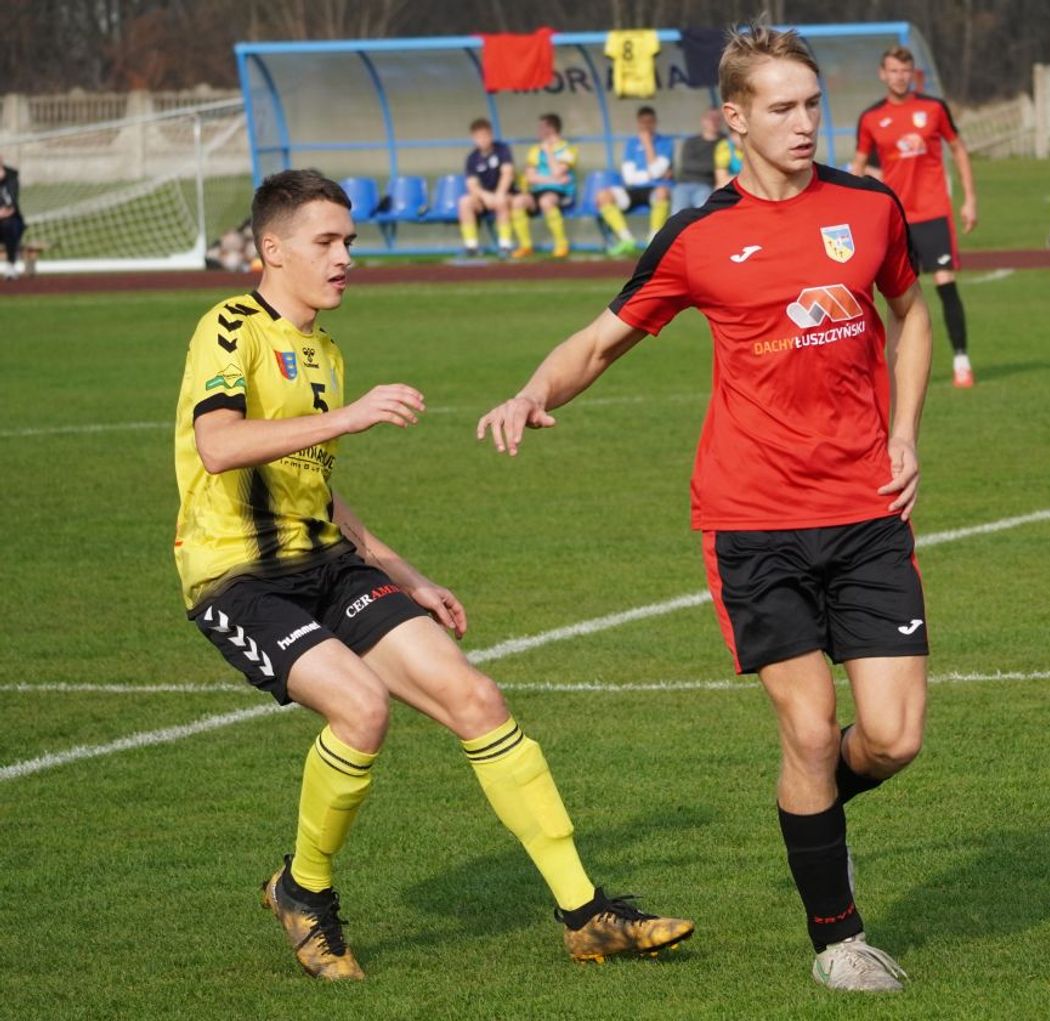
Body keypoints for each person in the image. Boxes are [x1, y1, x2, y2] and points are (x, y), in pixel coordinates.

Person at [477, 22, 933, 994]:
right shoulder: (698, 236)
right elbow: (599, 341)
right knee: (807, 728)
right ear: (735, 118)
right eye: (782, 107)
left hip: (865, 509)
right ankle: (838, 940)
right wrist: (532, 392)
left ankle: (814, 813)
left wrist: (905, 432)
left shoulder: (870, 206)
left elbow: (913, 313)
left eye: (813, 104)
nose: (805, 123)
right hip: (752, 518)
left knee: (893, 736)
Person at [173, 169, 693, 981]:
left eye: (349, 240)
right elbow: (218, 445)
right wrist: (352, 416)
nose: (345, 256)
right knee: (361, 707)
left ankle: (586, 915)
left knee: (475, 697)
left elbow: (315, 487)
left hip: (327, 562)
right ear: (272, 249)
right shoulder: (230, 326)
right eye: (326, 241)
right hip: (238, 576)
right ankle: (304, 888)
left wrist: (401, 570)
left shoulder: (324, 351)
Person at [851, 46, 979, 388]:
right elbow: (859, 165)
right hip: (895, 218)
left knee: (945, 283)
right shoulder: (871, 118)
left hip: (934, 212)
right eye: (893, 71)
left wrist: (970, 199)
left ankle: (962, 361)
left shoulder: (933, 108)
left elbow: (959, 148)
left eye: (905, 71)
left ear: (913, 73)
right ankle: (891, 367)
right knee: (897, 298)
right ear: (883, 74)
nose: (899, 77)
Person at [595, 106, 673, 255]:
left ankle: (653, 241)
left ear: (655, 122)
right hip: (633, 189)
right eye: (643, 122)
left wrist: (648, 144)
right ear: (638, 124)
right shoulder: (631, 143)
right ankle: (626, 240)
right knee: (603, 196)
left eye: (650, 122)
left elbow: (656, 171)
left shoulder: (665, 143)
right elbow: (629, 178)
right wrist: (652, 174)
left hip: (655, 189)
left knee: (662, 192)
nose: (646, 126)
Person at [510, 113, 579, 259]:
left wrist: (548, 152)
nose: (538, 131)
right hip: (539, 189)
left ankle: (561, 244)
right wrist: (554, 180)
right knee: (517, 201)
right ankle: (526, 246)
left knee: (546, 201)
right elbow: (530, 177)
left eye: (541, 127)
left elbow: (557, 171)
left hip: (561, 192)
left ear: (551, 129)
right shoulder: (535, 150)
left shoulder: (568, 149)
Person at [458, 118, 517, 258]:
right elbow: (472, 184)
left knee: (502, 200)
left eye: (485, 135)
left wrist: (499, 194)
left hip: (504, 194)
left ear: (491, 135)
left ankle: (505, 245)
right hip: (484, 198)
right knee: (464, 202)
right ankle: (471, 246)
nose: (483, 139)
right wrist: (485, 196)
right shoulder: (472, 158)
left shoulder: (502, 150)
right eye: (478, 137)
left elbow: (507, 173)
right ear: (473, 138)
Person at [672, 108, 726, 211]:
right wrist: (714, 166)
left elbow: (725, 165)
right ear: (703, 120)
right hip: (684, 185)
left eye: (717, 119)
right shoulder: (691, 142)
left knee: (703, 210)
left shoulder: (725, 142)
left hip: (707, 185)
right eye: (710, 118)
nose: (714, 122)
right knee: (677, 213)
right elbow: (687, 165)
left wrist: (713, 167)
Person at [0, 156, 24, 281]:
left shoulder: (11, 177)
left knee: (9, 225)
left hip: (10, 222)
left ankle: (10, 265)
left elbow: (11, 206)